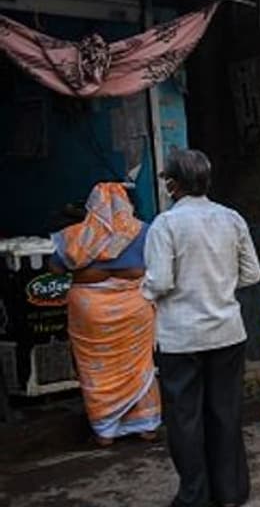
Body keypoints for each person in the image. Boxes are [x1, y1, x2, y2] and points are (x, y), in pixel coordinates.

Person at [143, 150, 260, 507]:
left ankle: (195, 496)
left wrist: (144, 290)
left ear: (173, 185)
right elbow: (253, 273)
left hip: (182, 338)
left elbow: (160, 280)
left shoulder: (166, 225)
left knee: (185, 419)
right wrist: (219, 286)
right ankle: (231, 493)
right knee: (225, 413)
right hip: (227, 332)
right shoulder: (232, 219)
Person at [51, 183, 161, 447]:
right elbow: (158, 265)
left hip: (90, 313)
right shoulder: (144, 232)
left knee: (95, 370)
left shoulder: (77, 236)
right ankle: (146, 426)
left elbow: (55, 268)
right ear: (128, 204)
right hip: (134, 309)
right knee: (140, 366)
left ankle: (105, 431)